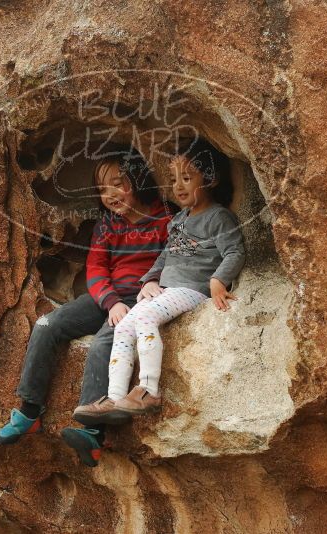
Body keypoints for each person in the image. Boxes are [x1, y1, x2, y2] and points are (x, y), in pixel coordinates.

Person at [0, 147, 172, 467]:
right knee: (48, 324)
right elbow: (97, 269)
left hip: (142, 298)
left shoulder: (164, 218)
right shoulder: (107, 226)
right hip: (109, 296)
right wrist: (111, 301)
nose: (111, 194)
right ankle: (29, 412)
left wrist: (152, 284)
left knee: (108, 339)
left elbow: (173, 257)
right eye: (103, 189)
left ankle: (91, 433)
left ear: (139, 179)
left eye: (119, 183)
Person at [72, 138, 244, 421]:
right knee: (124, 326)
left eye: (187, 178)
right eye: (174, 179)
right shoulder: (179, 220)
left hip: (191, 290)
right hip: (166, 290)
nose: (178, 186)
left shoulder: (219, 217)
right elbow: (166, 255)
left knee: (143, 317)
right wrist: (150, 279)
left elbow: (235, 250)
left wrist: (218, 280)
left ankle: (148, 390)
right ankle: (115, 399)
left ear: (210, 179)